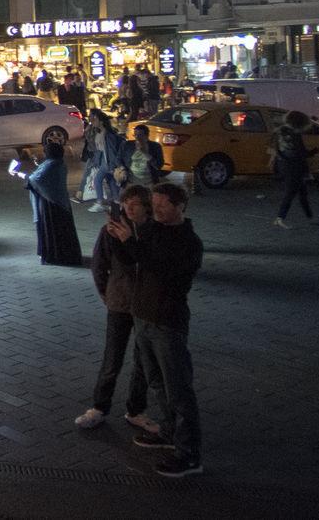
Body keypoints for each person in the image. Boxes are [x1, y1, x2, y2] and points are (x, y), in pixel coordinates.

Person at [106, 182, 205, 477]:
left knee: (178, 389)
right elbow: (132, 261)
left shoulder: (189, 241)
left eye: (163, 205)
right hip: (143, 316)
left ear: (180, 206)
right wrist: (116, 237)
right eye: (155, 204)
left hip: (167, 320)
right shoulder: (152, 231)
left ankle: (189, 455)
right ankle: (168, 432)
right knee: (157, 381)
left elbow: (165, 272)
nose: (157, 210)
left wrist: (131, 244)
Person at [74, 184, 165, 434]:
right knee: (112, 357)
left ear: (146, 207)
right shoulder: (110, 232)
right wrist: (106, 294)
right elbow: (99, 265)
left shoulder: (153, 232)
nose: (128, 209)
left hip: (146, 306)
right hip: (120, 302)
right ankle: (99, 407)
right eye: (125, 204)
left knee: (143, 359)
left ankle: (136, 409)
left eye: (134, 204)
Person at [16, 140, 82, 266]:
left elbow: (36, 179)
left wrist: (23, 175)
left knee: (52, 231)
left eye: (45, 152)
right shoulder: (59, 163)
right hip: (61, 201)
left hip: (50, 204)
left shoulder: (51, 164)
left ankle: (54, 256)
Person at [271, 111, 319, 228]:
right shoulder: (294, 134)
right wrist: (316, 151)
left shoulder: (279, 131)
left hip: (283, 164)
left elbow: (275, 148)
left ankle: (310, 217)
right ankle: (280, 218)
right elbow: (301, 152)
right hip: (294, 166)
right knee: (291, 192)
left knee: (302, 191)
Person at [124, 124, 165, 188]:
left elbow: (159, 165)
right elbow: (118, 158)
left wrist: (145, 153)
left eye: (140, 135)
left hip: (148, 183)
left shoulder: (155, 146)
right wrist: (121, 168)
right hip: (130, 182)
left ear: (147, 135)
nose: (137, 137)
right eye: (135, 135)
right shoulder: (127, 145)